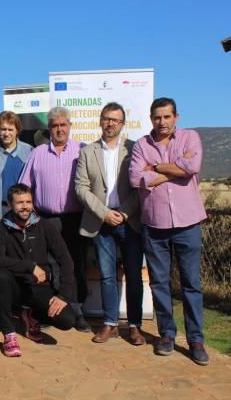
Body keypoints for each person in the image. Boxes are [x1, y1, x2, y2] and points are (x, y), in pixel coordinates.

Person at [129, 97, 209, 365]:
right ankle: (167, 335)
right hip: (154, 225)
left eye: (166, 117)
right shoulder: (141, 145)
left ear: (176, 117)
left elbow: (193, 167)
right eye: (157, 117)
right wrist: (177, 169)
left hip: (188, 223)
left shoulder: (190, 138)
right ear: (151, 118)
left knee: (191, 285)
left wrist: (157, 168)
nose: (161, 122)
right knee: (160, 284)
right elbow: (136, 178)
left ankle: (196, 339)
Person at [75, 102, 145, 346]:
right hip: (101, 221)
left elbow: (140, 187)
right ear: (100, 121)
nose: (110, 123)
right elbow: (81, 188)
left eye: (115, 119)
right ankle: (110, 324)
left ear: (122, 124)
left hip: (130, 221)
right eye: (106, 118)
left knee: (134, 276)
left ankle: (135, 326)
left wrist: (124, 213)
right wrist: (104, 213)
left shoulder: (135, 149)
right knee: (106, 276)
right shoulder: (87, 152)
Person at [19, 106, 90, 332]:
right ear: (49, 128)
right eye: (54, 125)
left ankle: (78, 311)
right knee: (49, 265)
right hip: (46, 220)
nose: (59, 129)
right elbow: (24, 187)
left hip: (75, 218)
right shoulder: (37, 153)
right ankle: (51, 312)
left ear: (70, 126)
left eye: (63, 125)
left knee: (76, 264)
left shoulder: (82, 151)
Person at [0, 184, 76, 357]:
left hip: (39, 287)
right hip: (14, 289)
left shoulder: (45, 226)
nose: (25, 206)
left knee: (67, 321)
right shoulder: (0, 229)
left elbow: (65, 260)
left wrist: (63, 296)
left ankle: (29, 314)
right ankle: (9, 333)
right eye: (20, 202)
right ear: (11, 204)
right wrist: (29, 266)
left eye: (28, 201)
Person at [0, 111, 32, 241]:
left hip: (20, 211)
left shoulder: (29, 151)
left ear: (17, 131)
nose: (6, 133)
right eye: (3, 129)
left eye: (10, 129)